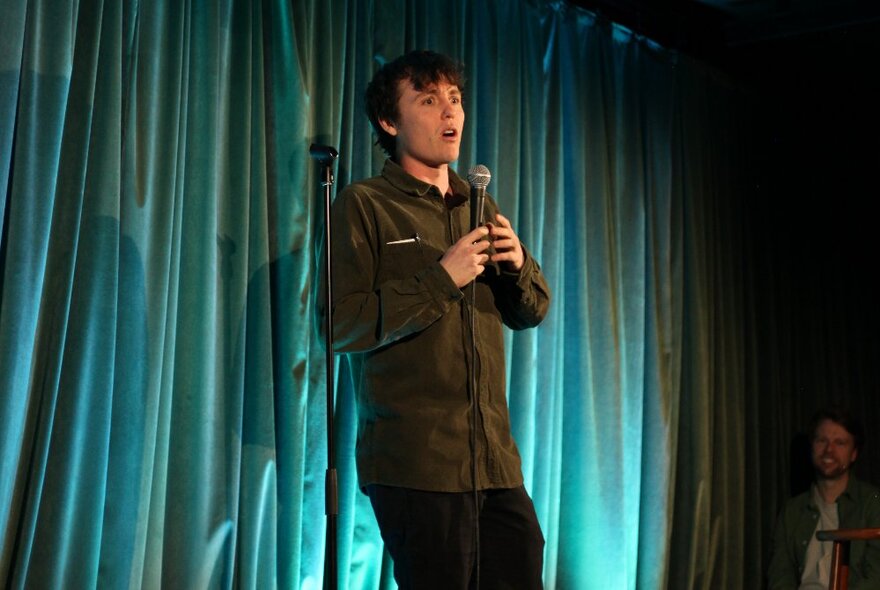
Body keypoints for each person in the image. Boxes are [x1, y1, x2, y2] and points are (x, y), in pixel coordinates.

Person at [322, 50, 551, 588]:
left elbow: (531, 312)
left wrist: (519, 264)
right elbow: (341, 324)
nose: (449, 111)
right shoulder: (365, 205)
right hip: (417, 464)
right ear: (389, 121)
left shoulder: (480, 207)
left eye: (454, 98)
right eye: (427, 100)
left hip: (494, 462)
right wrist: (441, 278)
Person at [768, 408, 880, 589]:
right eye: (822, 440)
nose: (829, 450)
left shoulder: (873, 503)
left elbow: (876, 576)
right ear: (811, 447)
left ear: (854, 453)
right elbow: (780, 575)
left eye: (840, 443)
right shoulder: (791, 510)